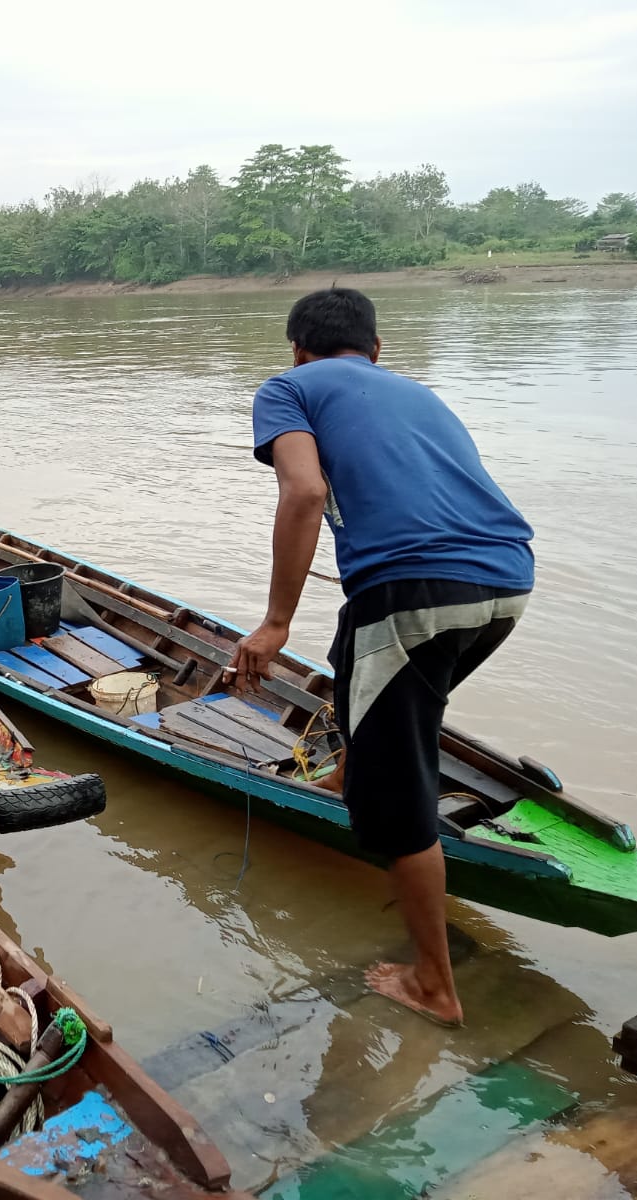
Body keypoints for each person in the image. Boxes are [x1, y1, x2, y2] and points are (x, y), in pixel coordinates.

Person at [228, 287, 533, 1027]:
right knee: (358, 654)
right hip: (508, 581)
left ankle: (434, 984)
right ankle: (352, 767)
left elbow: (304, 493)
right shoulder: (415, 392)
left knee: (398, 802)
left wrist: (273, 623)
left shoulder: (288, 387)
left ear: (297, 349)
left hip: (414, 590)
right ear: (377, 348)